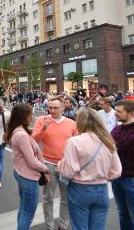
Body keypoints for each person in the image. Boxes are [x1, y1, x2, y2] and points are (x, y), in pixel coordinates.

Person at [58, 107, 122, 230]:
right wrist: (102, 175)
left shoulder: (74, 141)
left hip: (80, 188)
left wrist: (61, 164)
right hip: (101, 188)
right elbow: (117, 170)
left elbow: (69, 171)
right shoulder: (108, 141)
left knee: (80, 226)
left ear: (80, 122)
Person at [32, 96, 78, 230]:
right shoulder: (41, 120)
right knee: (47, 198)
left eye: (55, 108)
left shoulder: (72, 123)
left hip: (66, 166)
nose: (52, 110)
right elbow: (33, 141)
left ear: (63, 107)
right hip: (48, 165)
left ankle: (63, 226)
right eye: (50, 107)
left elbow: (76, 145)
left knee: (66, 198)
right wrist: (43, 129)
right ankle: (49, 226)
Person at [4, 104, 50, 230]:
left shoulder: (16, 130)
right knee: (28, 213)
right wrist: (46, 168)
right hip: (28, 177)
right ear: (23, 116)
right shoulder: (22, 135)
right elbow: (32, 161)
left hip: (20, 172)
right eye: (30, 114)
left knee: (24, 208)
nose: (32, 117)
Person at [111, 100, 134, 229]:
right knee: (123, 215)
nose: (115, 114)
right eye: (115, 111)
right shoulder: (116, 130)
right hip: (117, 180)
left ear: (132, 113)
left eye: (119, 111)